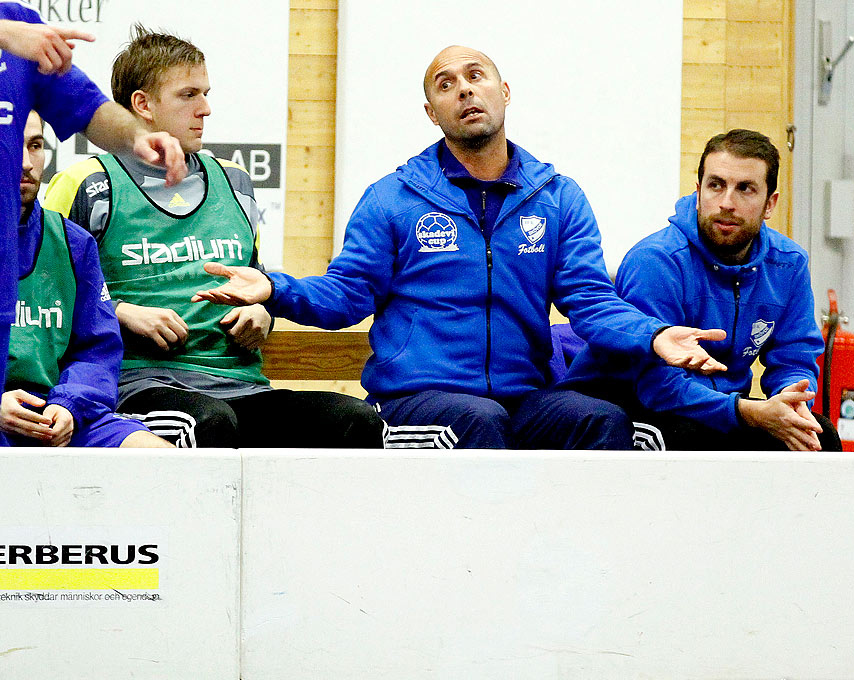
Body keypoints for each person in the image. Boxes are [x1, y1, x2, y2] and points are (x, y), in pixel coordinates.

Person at [191, 45, 728, 450]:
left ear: (504, 92)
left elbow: (590, 300)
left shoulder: (558, 196)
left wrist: (654, 335)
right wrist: (273, 289)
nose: (465, 90)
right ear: (432, 112)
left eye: (476, 77)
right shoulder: (394, 198)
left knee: (599, 419)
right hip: (418, 396)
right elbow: (347, 295)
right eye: (446, 84)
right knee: (478, 420)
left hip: (522, 395)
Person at [45, 26, 384, 449]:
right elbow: (47, 299)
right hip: (136, 383)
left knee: (354, 421)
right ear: (143, 104)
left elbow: (253, 283)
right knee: (210, 424)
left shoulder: (236, 182)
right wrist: (122, 312)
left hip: (242, 384)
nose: (205, 108)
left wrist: (263, 315)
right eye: (189, 95)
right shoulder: (87, 184)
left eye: (205, 93)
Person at [561, 129, 841, 452]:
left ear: (770, 204)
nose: (726, 203)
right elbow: (658, 387)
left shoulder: (788, 265)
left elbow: (794, 357)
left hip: (723, 408)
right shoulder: (655, 261)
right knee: (689, 438)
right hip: (632, 404)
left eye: (745, 189)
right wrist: (747, 412)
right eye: (716, 185)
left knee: (819, 437)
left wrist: (793, 402)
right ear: (698, 192)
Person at [0, 4, 184, 446]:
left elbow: (88, 107)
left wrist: (137, 137)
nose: (26, 163)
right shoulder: (14, 33)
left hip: (49, 411)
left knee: (160, 460)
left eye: (36, 146)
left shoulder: (24, 28)